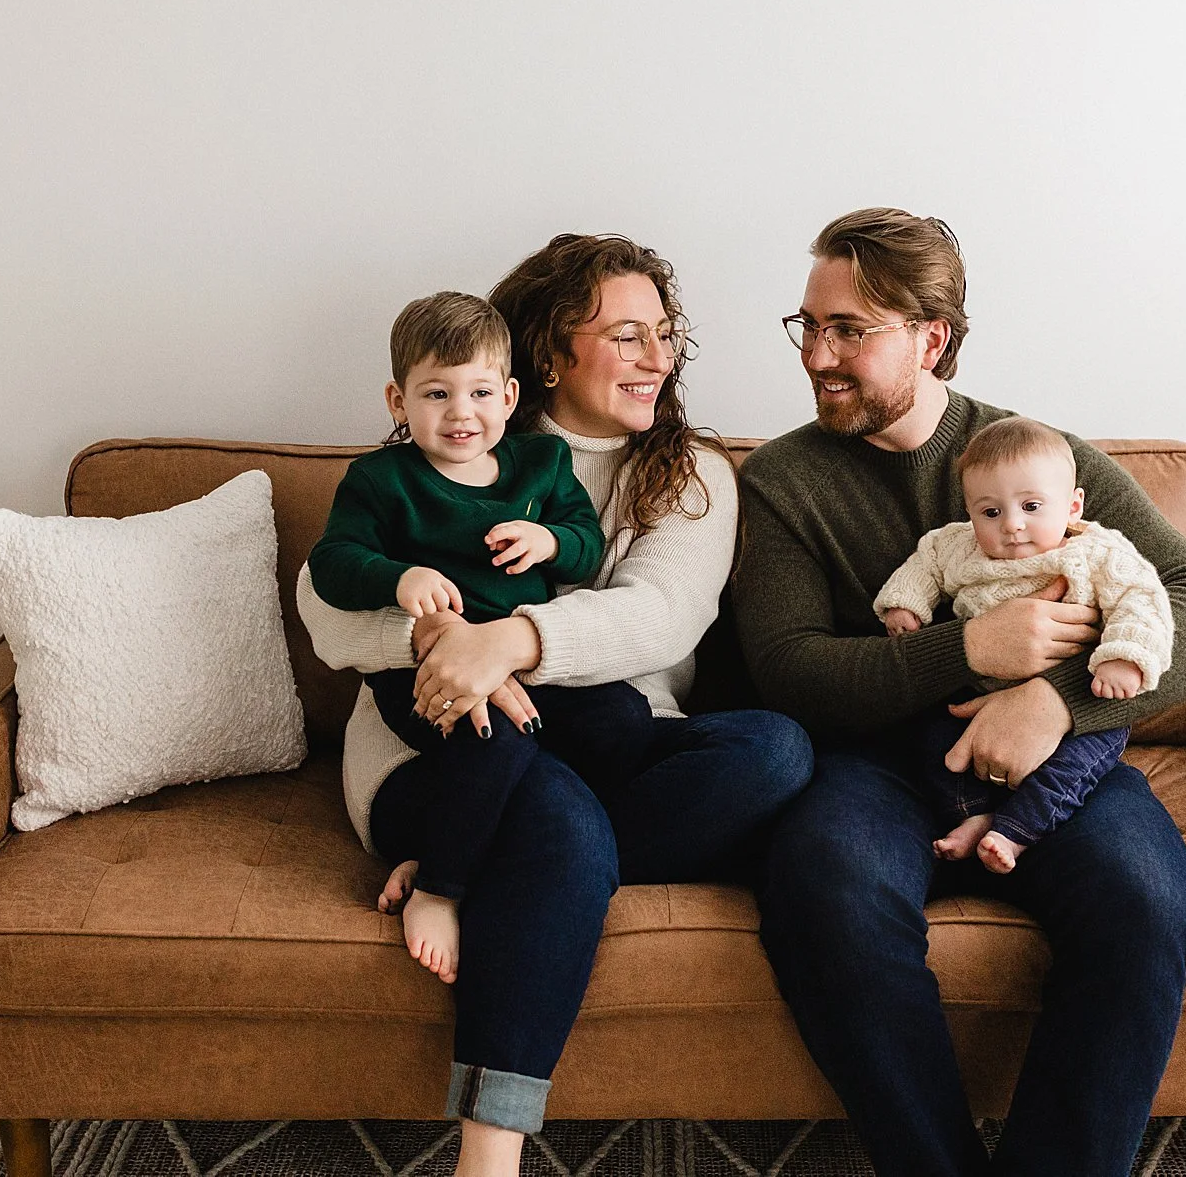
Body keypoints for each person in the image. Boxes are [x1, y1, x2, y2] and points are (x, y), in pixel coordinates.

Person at [736, 208, 1186, 1177]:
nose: (815, 354)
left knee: (1147, 904)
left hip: (1061, 760)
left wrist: (1056, 699)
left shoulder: (1039, 459)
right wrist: (969, 646)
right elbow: (789, 668)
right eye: (806, 326)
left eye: (848, 329)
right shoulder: (782, 480)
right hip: (881, 767)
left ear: (930, 339)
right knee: (821, 890)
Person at [298, 234, 812, 1177]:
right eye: (627, 334)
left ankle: (479, 845)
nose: (659, 357)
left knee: (776, 752)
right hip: (441, 750)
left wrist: (514, 642)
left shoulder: (692, 471)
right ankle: (490, 1155)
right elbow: (326, 604)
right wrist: (440, 644)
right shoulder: (465, 424)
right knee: (563, 829)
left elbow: (661, 618)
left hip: (611, 740)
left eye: (666, 334)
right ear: (548, 353)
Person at [308, 290, 658, 983]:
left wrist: (549, 539)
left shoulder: (540, 467)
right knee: (495, 738)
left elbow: (589, 547)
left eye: (478, 392)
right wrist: (398, 576)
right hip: (426, 679)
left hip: (528, 675)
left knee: (624, 715)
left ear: (509, 396)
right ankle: (438, 888)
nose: (460, 412)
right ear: (398, 402)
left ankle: (464, 836)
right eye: (436, 393)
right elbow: (331, 564)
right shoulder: (382, 481)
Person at [872, 415, 1174, 874]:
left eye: (1032, 506)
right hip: (976, 693)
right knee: (929, 737)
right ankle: (975, 814)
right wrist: (904, 606)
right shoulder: (956, 546)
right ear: (970, 511)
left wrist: (1123, 658)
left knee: (1075, 765)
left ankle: (1015, 831)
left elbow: (1142, 600)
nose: (1012, 525)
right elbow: (926, 563)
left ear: (1073, 507)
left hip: (1076, 710)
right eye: (990, 512)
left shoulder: (1097, 553)